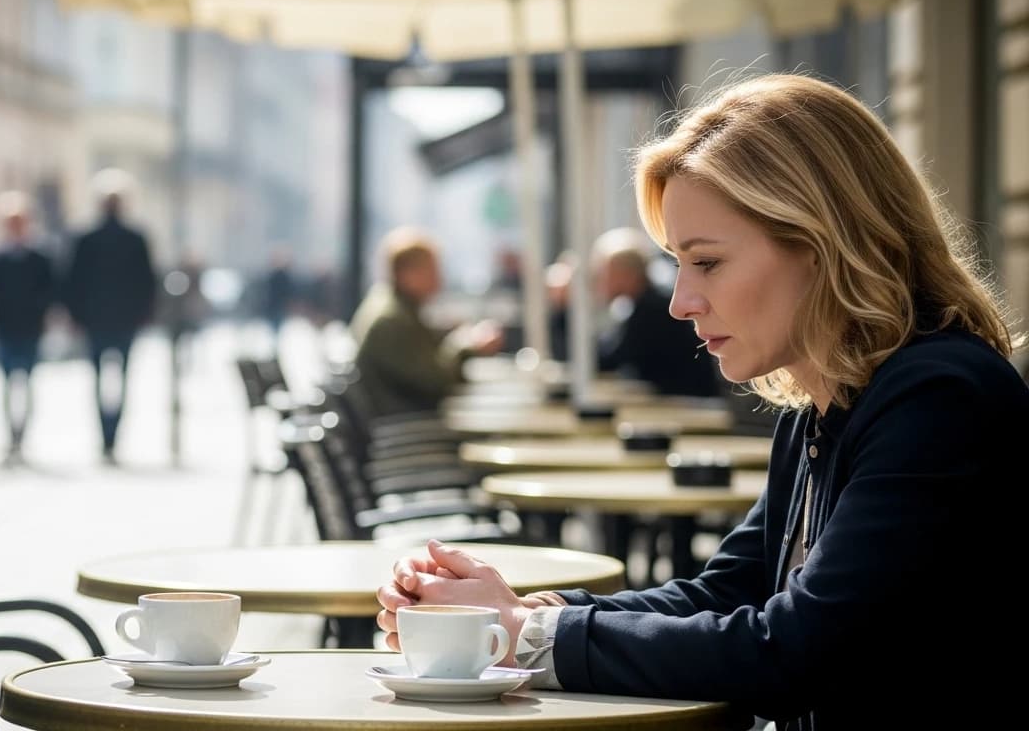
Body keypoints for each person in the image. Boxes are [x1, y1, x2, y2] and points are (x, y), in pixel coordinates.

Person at [376, 74, 1027, 728]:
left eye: (707, 262)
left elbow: (797, 650)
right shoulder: (824, 407)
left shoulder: (940, 399)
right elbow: (723, 595)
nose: (680, 301)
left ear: (823, 244)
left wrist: (531, 634)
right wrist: (516, 615)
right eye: (676, 264)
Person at [349, 226, 504, 418]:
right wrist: (465, 345)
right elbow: (437, 381)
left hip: (403, 422)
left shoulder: (390, 306)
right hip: (406, 427)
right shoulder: (392, 320)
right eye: (433, 270)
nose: (440, 280)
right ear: (408, 274)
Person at [547, 227, 719, 396]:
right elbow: (603, 353)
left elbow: (602, 362)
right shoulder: (638, 305)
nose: (599, 280)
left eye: (604, 273)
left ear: (626, 274)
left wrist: (563, 309)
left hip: (692, 407)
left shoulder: (652, 310)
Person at [63, 168, 157, 464]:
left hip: (101, 320)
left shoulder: (88, 238)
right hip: (118, 320)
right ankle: (110, 437)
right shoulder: (132, 237)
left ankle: (108, 438)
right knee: (118, 380)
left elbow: (73, 281)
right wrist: (144, 315)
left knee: (103, 380)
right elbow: (147, 282)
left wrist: (76, 317)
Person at [0, 191, 54, 466]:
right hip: (4, 327)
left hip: (31, 327)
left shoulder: (40, 257)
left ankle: (23, 436)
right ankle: (10, 436)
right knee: (6, 384)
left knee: (27, 383)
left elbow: (49, 290)